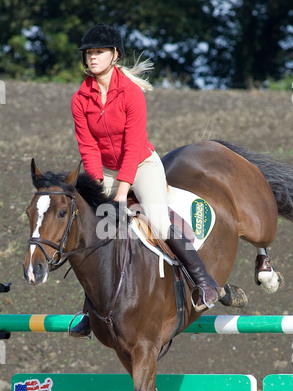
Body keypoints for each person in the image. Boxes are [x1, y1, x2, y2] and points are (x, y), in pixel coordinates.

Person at [70, 23, 221, 336]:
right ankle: (91, 310)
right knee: (100, 229)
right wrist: (100, 187)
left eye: (98, 52)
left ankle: (204, 281)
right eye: (88, 53)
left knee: (158, 222)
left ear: (114, 55)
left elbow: (133, 144)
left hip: (140, 163)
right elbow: (87, 147)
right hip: (106, 171)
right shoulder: (80, 99)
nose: (92, 58)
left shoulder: (131, 93)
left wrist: (121, 191)